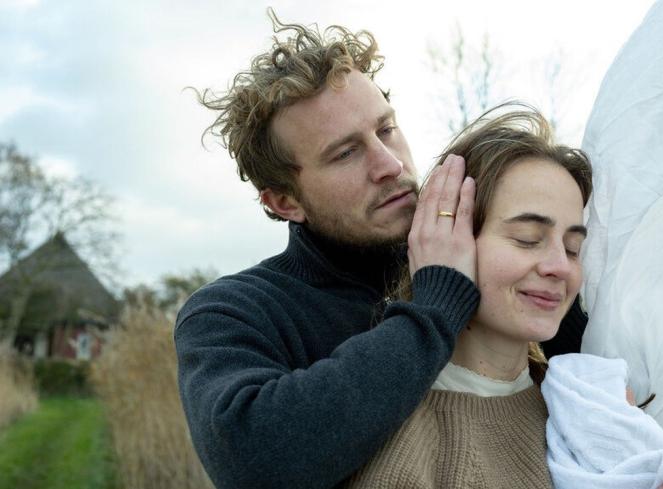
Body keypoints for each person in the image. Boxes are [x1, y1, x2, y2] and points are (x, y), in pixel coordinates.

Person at [174, 13, 587, 489]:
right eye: (345, 153)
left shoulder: (489, 259)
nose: (389, 164)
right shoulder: (233, 311)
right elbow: (254, 460)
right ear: (284, 201)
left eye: (386, 129)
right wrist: (438, 304)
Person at [343, 106, 591, 488]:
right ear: (447, 240)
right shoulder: (404, 454)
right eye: (527, 239)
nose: (560, 266)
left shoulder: (587, 406)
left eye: (573, 248)